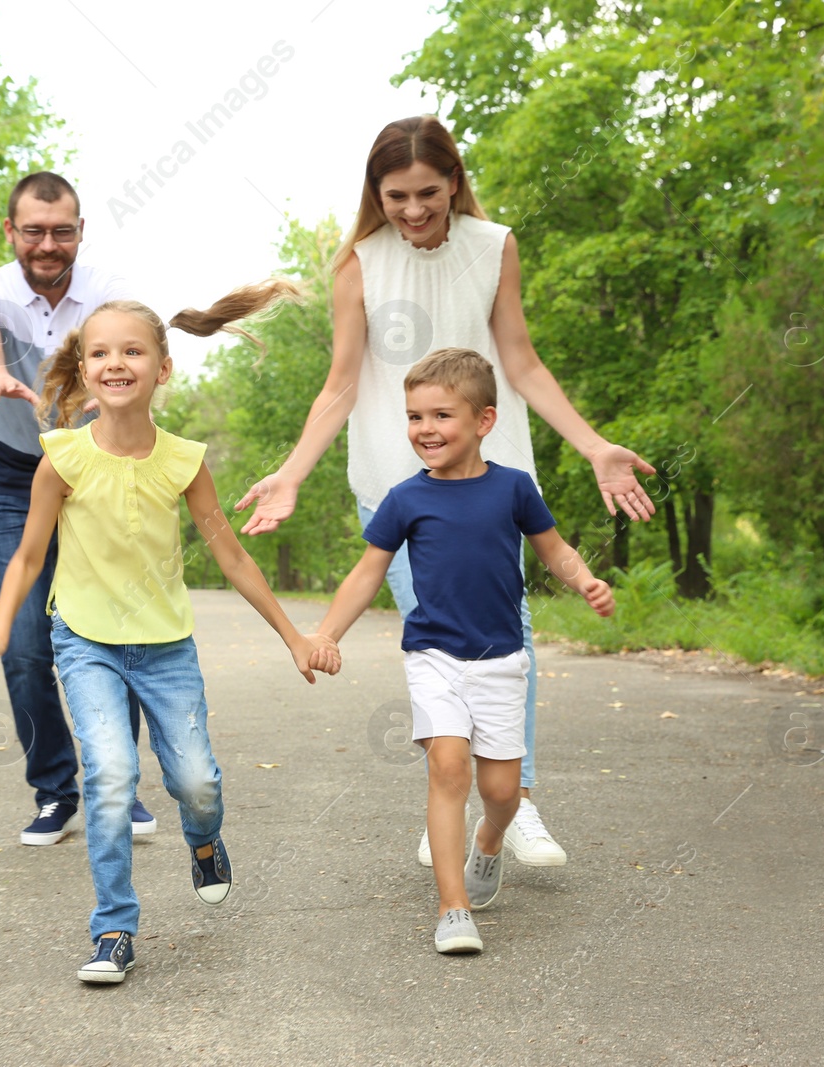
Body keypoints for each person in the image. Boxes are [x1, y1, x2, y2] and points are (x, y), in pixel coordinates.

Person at [235, 116, 655, 867]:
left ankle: (514, 800)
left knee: (508, 634)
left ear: (455, 181)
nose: (414, 210)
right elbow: (339, 386)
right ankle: (452, 802)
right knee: (440, 632)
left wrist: (593, 445)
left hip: (493, 479)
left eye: (428, 192)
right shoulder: (359, 264)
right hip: (397, 484)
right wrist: (292, 472)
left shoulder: (494, 248)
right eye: (396, 196)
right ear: (376, 194)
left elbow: (521, 363)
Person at [0, 284, 339, 984]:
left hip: (166, 646)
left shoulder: (184, 461)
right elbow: (27, 556)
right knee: (110, 775)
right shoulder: (62, 458)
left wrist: (293, 634)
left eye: (132, 350)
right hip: (86, 642)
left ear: (161, 368)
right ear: (83, 371)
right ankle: (113, 928)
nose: (115, 362)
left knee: (195, 781)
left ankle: (204, 842)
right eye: (99, 351)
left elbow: (230, 553)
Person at [309, 348, 614, 952]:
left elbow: (553, 549)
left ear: (484, 421)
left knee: (501, 794)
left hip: (501, 661)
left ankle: (490, 842)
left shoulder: (514, 488)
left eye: (442, 416)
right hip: (435, 656)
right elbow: (368, 573)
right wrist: (326, 634)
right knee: (448, 768)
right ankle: (453, 908)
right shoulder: (404, 498)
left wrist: (584, 581)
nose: (426, 429)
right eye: (415, 417)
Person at [0, 171, 157, 846]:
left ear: (79, 233)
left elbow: (131, 340)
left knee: (111, 633)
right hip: (15, 476)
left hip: (96, 471)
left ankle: (116, 785)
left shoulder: (105, 290)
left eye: (61, 231)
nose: (48, 244)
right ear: (10, 232)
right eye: (33, 231)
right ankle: (54, 789)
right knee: (23, 646)